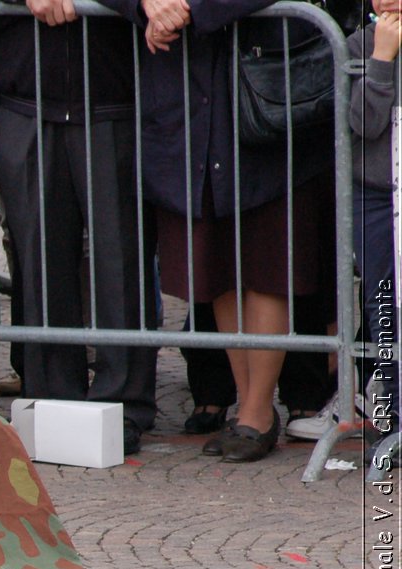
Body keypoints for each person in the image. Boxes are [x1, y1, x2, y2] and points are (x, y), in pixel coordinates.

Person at [105, 0, 336, 462]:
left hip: (262, 92)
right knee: (215, 263)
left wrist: (189, 7)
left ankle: (255, 411)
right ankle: (250, 403)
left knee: (268, 260)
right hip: (183, 101)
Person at [0, 0, 157, 453]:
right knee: (39, 259)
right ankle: (50, 394)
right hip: (26, 91)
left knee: (120, 258)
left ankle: (124, 402)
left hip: (114, 92)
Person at [338, 0, 399, 451]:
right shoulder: (359, 44)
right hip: (376, 195)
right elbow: (361, 123)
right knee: (383, 304)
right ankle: (393, 414)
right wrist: (381, 60)